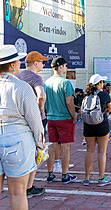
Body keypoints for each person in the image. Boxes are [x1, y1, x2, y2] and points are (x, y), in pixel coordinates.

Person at [0, 45, 45, 209]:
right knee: (18, 192)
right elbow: (35, 121)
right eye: (18, 60)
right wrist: (40, 144)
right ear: (12, 65)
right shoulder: (21, 87)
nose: (20, 63)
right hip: (17, 140)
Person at [16, 51, 49, 198]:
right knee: (38, 152)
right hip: (35, 120)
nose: (44, 64)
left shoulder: (17, 77)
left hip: (19, 120)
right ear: (35, 63)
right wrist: (39, 110)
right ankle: (29, 187)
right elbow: (41, 95)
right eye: (42, 62)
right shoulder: (36, 78)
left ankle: (22, 186)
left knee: (23, 153)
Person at [44, 57, 77, 184]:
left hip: (51, 118)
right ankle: (65, 175)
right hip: (64, 118)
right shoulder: (66, 83)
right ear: (62, 66)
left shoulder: (46, 82)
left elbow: (45, 101)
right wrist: (74, 116)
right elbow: (69, 102)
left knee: (52, 146)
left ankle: (50, 173)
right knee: (65, 147)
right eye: (66, 65)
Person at [82, 74, 111, 186]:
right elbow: (110, 108)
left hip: (88, 125)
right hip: (101, 124)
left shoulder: (86, 95)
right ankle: (101, 178)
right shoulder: (104, 95)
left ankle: (86, 177)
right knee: (102, 151)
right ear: (99, 84)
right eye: (102, 82)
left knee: (89, 151)